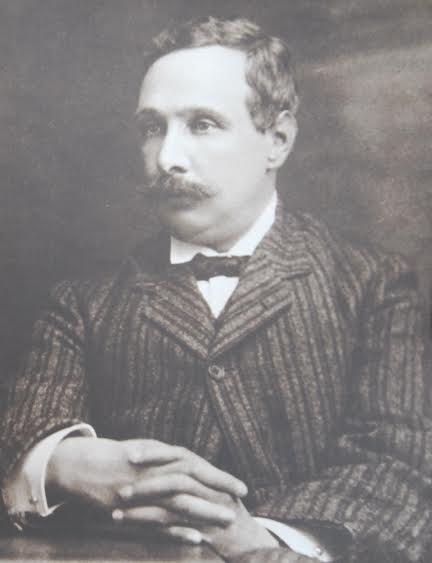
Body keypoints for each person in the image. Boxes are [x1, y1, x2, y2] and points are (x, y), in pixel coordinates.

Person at [1, 16, 432, 563]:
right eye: (152, 128)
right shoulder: (83, 302)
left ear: (277, 139)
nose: (167, 158)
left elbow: (399, 465)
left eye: (202, 124)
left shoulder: (372, 285)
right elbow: (23, 430)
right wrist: (62, 462)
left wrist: (265, 539)